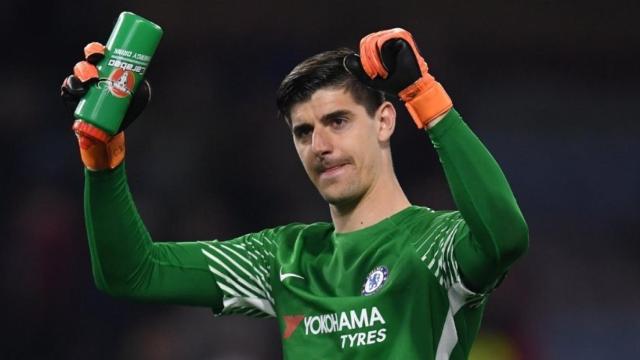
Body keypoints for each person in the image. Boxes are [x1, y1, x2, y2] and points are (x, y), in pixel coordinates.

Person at [61, 28, 529, 359]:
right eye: (303, 132)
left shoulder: (436, 243)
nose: (320, 146)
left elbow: (505, 236)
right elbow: (132, 272)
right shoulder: (284, 258)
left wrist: (424, 95)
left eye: (338, 121)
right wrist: (102, 159)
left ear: (385, 120)